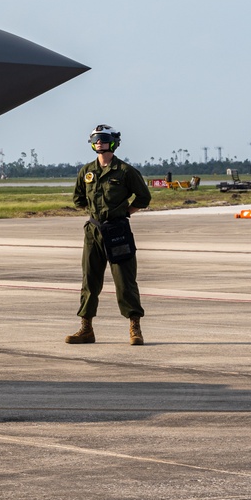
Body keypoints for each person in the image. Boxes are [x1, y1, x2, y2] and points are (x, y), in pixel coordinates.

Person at [67, 125, 151, 346]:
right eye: (96, 139)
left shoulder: (125, 171)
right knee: (89, 281)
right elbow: (78, 199)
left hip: (118, 231)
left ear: (113, 142)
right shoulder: (87, 171)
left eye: (103, 139)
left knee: (125, 281)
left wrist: (124, 213)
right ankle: (86, 328)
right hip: (94, 231)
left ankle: (135, 327)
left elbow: (143, 197)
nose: (99, 143)